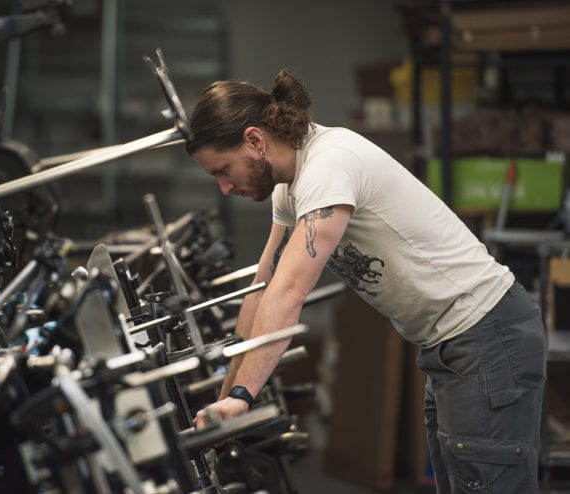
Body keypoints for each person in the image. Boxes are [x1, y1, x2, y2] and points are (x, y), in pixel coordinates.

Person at [185, 69, 547, 493]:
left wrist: (244, 397)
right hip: (451, 346)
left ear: (255, 141)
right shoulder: (291, 186)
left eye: (222, 171)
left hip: (487, 336)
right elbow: (261, 291)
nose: (225, 187)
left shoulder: (328, 165)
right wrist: (226, 403)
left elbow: (289, 293)